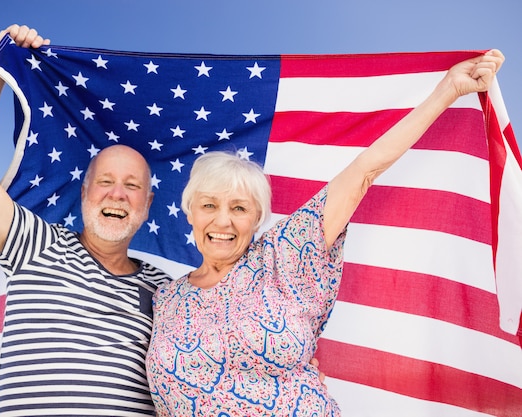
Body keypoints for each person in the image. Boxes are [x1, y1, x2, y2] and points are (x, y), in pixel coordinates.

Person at [145, 50, 505, 416]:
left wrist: (447, 90)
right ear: (189, 213)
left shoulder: (285, 254)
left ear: (256, 219)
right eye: (209, 205)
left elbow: (363, 172)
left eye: (239, 208)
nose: (223, 221)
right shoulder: (164, 299)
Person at [0, 25, 172, 416]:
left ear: (147, 205)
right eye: (106, 182)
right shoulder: (36, 243)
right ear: (83, 194)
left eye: (132, 186)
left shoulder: (165, 289)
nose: (117, 194)